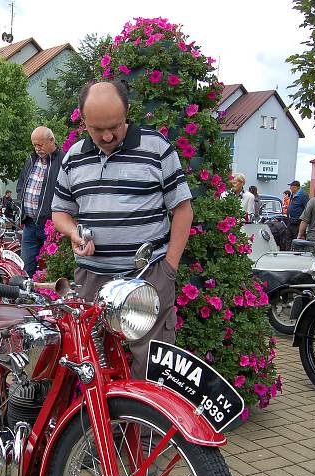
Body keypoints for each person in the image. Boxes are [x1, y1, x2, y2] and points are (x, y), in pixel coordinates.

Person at [52, 80, 193, 380]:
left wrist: (169, 269)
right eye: (96, 128)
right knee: (93, 364)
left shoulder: (156, 148)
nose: (106, 135)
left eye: (114, 126)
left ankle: (146, 429)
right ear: (83, 120)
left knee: (153, 365)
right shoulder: (73, 157)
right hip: (93, 279)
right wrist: (74, 233)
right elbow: (60, 212)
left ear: (128, 111)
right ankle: (100, 428)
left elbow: (183, 209)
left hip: (148, 277)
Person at [16, 126, 65, 277]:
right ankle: (26, 298)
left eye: (40, 144)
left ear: (52, 140)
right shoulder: (31, 160)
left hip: (51, 226)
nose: (37, 148)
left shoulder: (63, 161)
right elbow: (21, 185)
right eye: (34, 145)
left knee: (54, 267)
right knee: (26, 267)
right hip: (30, 224)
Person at [285, 180, 309, 249]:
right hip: (290, 221)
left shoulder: (303, 195)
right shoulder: (293, 195)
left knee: (297, 241)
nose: (290, 188)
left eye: (291, 187)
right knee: (288, 239)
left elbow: (307, 208)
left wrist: (303, 220)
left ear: (296, 187)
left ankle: (295, 254)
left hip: (298, 222)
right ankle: (288, 252)